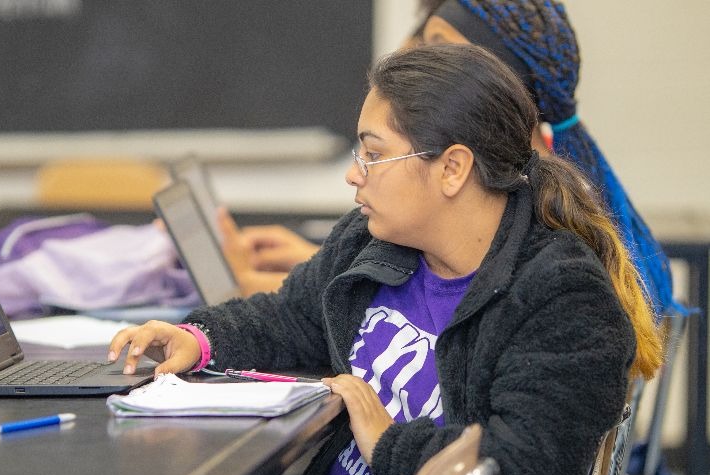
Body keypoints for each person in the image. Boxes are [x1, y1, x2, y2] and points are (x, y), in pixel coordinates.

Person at [108, 44, 662, 475]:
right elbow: (291, 319)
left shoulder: (561, 297)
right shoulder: (373, 243)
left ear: (452, 168)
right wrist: (198, 339)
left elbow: (527, 470)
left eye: (374, 154)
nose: (355, 175)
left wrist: (387, 443)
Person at [226, 0, 682, 324]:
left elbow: (461, 311)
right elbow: (442, 287)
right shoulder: (526, 183)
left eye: (437, 43)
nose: (411, 50)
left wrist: (243, 282)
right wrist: (319, 266)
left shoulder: (532, 215)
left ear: (491, 78)